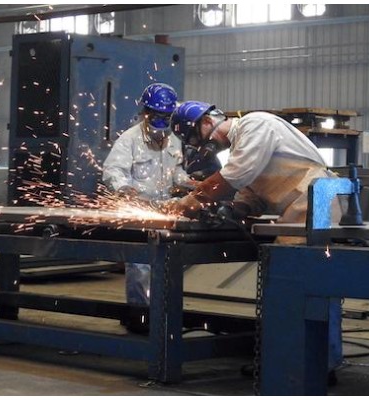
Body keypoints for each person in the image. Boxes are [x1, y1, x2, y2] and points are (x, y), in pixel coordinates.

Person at [166, 100, 344, 375]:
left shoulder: (256, 124)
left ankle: (309, 365)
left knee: (299, 286)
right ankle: (297, 359)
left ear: (205, 123)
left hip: (313, 204)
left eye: (196, 139)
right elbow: (250, 192)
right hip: (298, 209)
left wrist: (193, 199)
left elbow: (236, 175)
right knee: (293, 286)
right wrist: (232, 208)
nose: (202, 147)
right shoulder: (242, 145)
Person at [102, 83, 194, 333]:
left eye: (166, 117)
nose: (160, 123)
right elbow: (112, 171)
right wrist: (124, 188)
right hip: (137, 210)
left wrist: (190, 183)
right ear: (145, 113)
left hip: (164, 210)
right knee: (141, 266)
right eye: (156, 116)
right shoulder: (129, 139)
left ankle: (163, 313)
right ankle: (139, 316)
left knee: (167, 264)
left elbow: (176, 172)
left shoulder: (173, 141)